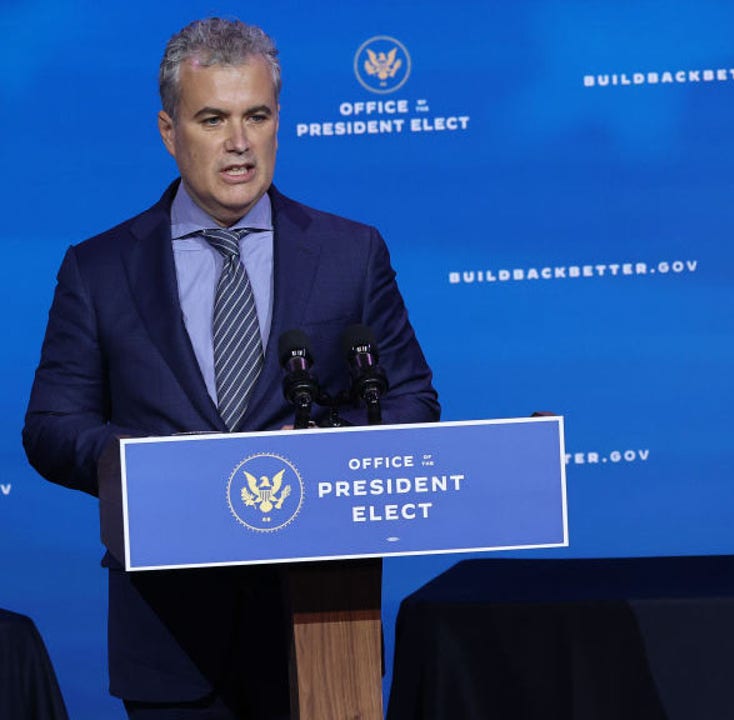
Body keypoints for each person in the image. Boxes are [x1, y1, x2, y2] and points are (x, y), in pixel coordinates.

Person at [22, 18, 440, 719]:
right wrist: (154, 465)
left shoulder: (350, 252)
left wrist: (327, 452)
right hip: (170, 634)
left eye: (257, 116)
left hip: (320, 624)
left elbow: (410, 401)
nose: (239, 142)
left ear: (279, 122)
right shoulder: (100, 269)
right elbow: (51, 426)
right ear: (169, 131)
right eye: (213, 119)